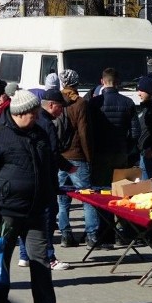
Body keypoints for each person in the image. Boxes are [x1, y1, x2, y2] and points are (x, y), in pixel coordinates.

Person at [0, 89, 69, 303]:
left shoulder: (39, 133)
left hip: (36, 209)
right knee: (1, 260)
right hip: (5, 210)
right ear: (20, 113)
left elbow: (47, 165)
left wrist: (50, 193)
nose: (38, 117)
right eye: (34, 113)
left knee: (40, 259)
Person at [17, 89, 73, 272]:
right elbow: (53, 153)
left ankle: (25, 256)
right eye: (60, 107)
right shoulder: (46, 124)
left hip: (29, 178)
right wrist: (68, 167)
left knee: (28, 218)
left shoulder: (33, 121)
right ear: (50, 105)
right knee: (46, 219)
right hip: (45, 179)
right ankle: (49, 257)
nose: (61, 112)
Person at [87, 67, 139, 248]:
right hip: (120, 154)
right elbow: (135, 131)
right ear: (118, 82)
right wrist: (128, 148)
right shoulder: (127, 103)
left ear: (102, 81)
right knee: (121, 194)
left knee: (101, 194)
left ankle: (104, 235)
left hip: (100, 154)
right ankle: (122, 232)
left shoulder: (94, 104)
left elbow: (89, 131)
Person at [55, 69, 97, 249]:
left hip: (60, 157)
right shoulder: (80, 103)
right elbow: (84, 132)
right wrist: (89, 157)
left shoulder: (57, 101)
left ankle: (65, 235)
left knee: (62, 200)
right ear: (76, 82)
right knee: (87, 197)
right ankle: (91, 236)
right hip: (77, 155)